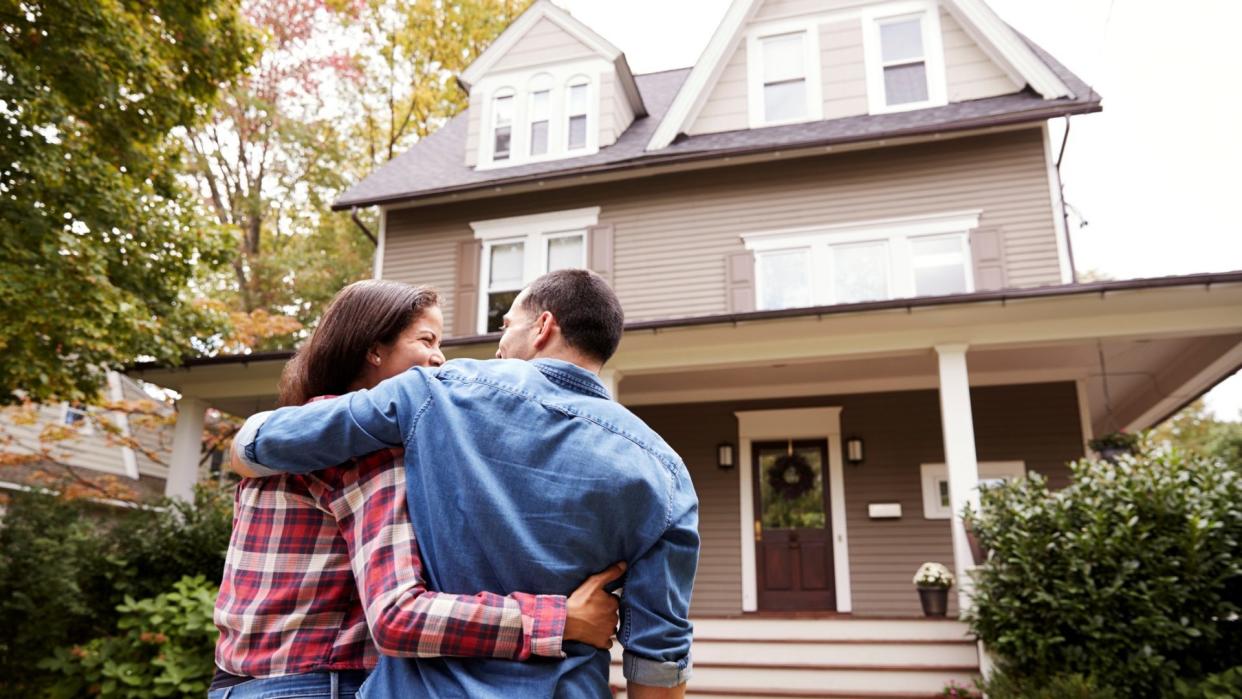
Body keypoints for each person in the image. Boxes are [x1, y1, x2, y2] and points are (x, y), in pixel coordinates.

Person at [232, 269, 698, 698]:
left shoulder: (437, 391)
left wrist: (245, 446)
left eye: (506, 326)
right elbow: (659, 653)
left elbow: (266, 441)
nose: (497, 345)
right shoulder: (667, 472)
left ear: (542, 327)